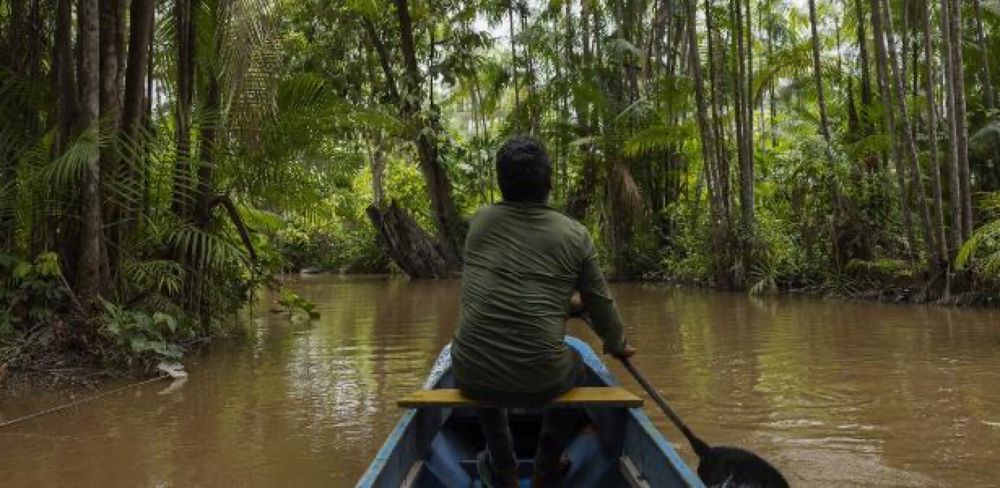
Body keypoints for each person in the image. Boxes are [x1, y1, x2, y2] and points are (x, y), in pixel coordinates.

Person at [451, 135, 635, 487]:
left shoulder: (479, 224)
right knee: (578, 366)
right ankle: (545, 468)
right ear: (549, 183)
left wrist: (564, 305)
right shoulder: (575, 234)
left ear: (501, 183)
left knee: (481, 366)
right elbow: (599, 301)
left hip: (470, 371)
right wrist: (617, 343)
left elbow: (514, 288)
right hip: (545, 379)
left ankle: (504, 468)